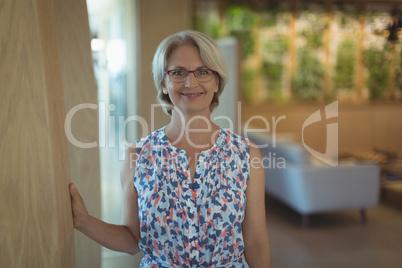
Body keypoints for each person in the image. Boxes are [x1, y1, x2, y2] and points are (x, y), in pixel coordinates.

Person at [70, 30, 271, 267]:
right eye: (177, 73)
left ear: (217, 81)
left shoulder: (246, 154)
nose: (190, 82)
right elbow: (132, 241)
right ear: (163, 83)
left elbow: (256, 242)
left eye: (203, 71)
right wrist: (83, 221)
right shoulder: (138, 156)